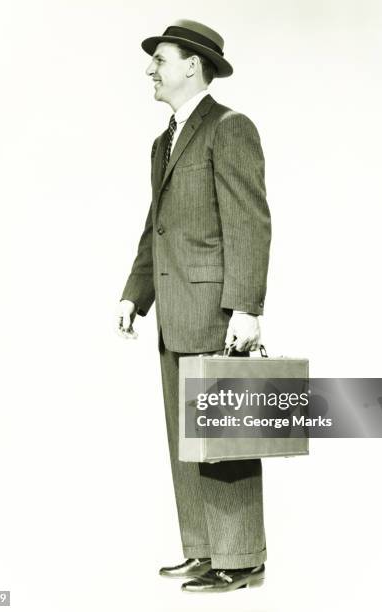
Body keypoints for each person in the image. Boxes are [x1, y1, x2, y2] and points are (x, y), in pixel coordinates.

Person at [116, 19, 271, 593]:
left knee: (225, 437)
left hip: (217, 311)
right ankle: (204, 550)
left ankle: (241, 558)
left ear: (192, 66)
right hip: (174, 310)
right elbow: (155, 229)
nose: (150, 70)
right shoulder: (165, 142)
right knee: (188, 438)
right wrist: (135, 296)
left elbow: (250, 221)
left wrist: (247, 308)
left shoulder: (230, 128)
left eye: (160, 59)